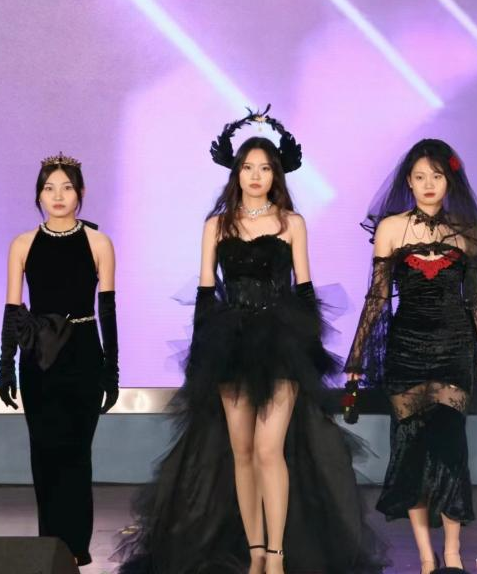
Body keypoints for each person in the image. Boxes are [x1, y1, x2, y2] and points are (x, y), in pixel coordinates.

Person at [116, 108, 382, 574]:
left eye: (264, 168)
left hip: (281, 342)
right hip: (229, 343)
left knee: (268, 450)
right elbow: (206, 291)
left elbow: (304, 290)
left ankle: (276, 555)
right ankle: (256, 552)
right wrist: (202, 353)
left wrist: (308, 350)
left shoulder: (292, 222)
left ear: (276, 174)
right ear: (236, 172)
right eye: (248, 167)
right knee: (241, 452)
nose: (256, 175)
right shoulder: (216, 225)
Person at [345, 138, 477, 574]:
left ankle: (451, 552)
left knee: (451, 445)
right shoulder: (391, 229)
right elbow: (377, 297)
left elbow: (474, 300)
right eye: (420, 177)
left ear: (449, 180)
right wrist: (357, 357)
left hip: (455, 346)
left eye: (436, 176)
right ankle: (426, 558)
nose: (429, 184)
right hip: (406, 348)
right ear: (409, 183)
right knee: (409, 446)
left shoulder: (465, 230)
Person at [0, 152, 118, 567]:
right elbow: (12, 309)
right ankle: (49, 546)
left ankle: (76, 550)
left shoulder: (99, 243)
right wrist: (6, 367)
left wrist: (112, 370)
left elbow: (108, 311)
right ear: (39, 196)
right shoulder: (23, 244)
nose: (58, 195)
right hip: (39, 357)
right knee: (44, 453)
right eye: (49, 188)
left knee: (77, 453)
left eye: (67, 187)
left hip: (83, 353)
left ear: (80, 193)